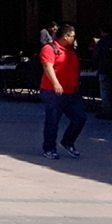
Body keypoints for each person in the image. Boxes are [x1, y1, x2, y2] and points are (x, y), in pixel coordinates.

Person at [40, 24, 85, 159]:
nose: (74, 39)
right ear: (65, 36)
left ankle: (68, 141)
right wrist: (55, 83)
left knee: (80, 118)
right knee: (53, 121)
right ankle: (49, 148)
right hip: (53, 92)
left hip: (71, 92)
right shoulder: (49, 49)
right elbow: (48, 66)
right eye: (73, 36)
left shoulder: (71, 51)